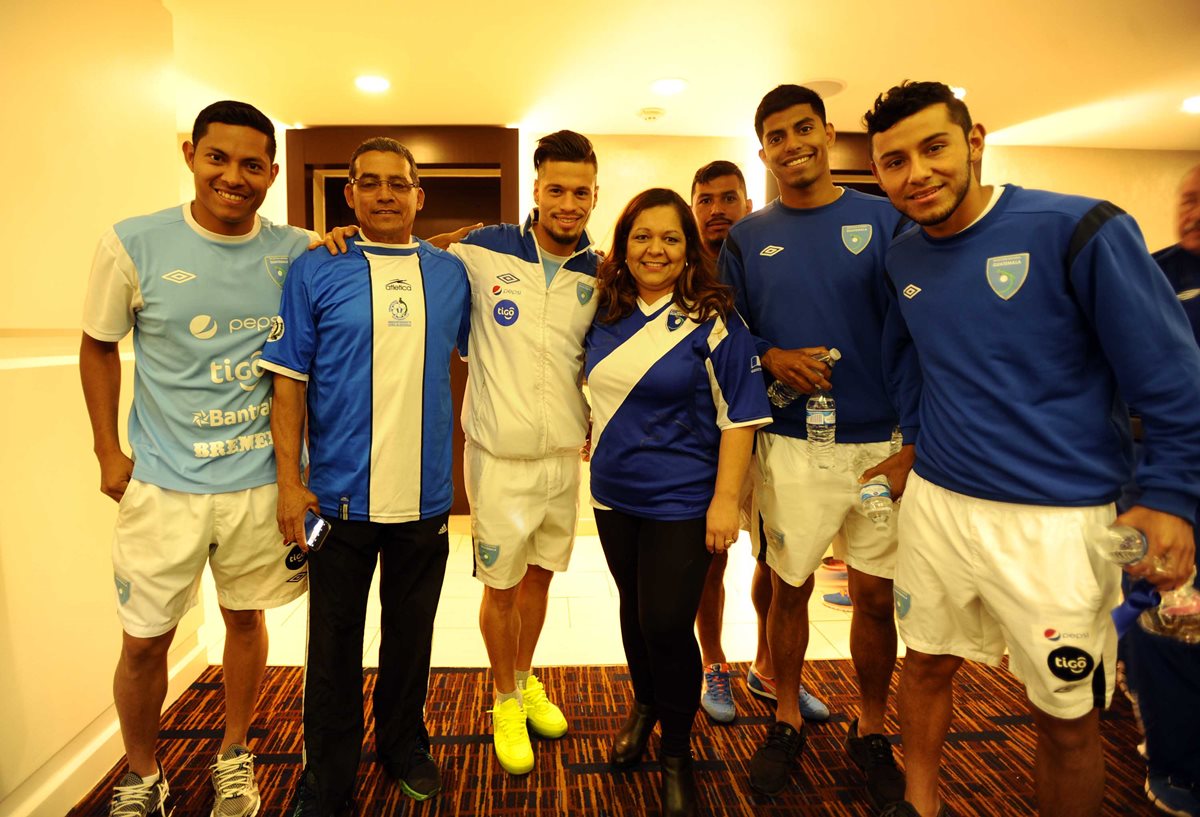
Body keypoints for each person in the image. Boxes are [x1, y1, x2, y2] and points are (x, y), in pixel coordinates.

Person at [864, 81, 1200, 817]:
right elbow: (912, 362)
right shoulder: (904, 256)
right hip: (941, 507)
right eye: (894, 161)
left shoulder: (1079, 229)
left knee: (1066, 713)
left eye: (933, 147)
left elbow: (1172, 378)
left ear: (974, 140)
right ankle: (919, 804)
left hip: (1060, 521)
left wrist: (1171, 497)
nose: (916, 172)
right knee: (923, 663)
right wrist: (913, 446)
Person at [315, 130, 600, 777]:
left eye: (580, 191)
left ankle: (526, 678)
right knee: (499, 585)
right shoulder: (482, 249)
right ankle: (502, 697)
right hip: (497, 456)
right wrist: (335, 240)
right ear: (536, 188)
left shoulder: (598, 270)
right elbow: (410, 255)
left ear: (593, 195)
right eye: (555, 188)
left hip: (562, 458)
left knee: (539, 577)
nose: (567, 202)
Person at [80, 100, 312, 817]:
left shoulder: (299, 249)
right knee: (146, 643)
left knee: (245, 619)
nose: (233, 177)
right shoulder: (133, 244)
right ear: (191, 154)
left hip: (257, 488)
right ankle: (144, 772)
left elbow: (385, 248)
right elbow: (97, 345)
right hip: (162, 486)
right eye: (218, 158)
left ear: (273, 172)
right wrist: (107, 452)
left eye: (251, 165)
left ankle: (234, 756)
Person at [720, 85, 917, 805]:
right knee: (789, 587)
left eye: (804, 128)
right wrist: (770, 356)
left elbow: (919, 328)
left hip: (878, 444)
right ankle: (784, 713)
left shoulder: (887, 218)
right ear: (763, 148)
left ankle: (870, 726)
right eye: (776, 134)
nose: (792, 143)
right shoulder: (747, 235)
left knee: (873, 597)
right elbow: (728, 331)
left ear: (829, 133)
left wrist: (917, 440)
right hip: (792, 445)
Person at [262, 137, 469, 814]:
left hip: (426, 499)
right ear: (349, 194)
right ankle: (326, 776)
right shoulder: (316, 266)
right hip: (336, 502)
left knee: (412, 641)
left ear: (418, 194)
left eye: (397, 184)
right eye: (369, 183)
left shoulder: (450, 273)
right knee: (332, 651)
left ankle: (404, 744)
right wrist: (290, 481)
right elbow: (288, 384)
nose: (384, 194)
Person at [586, 187, 772, 817]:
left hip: (683, 500)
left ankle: (677, 752)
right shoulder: (602, 310)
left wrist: (726, 502)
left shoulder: (715, 319)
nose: (654, 249)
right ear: (624, 244)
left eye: (669, 237)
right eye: (642, 236)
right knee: (635, 614)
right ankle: (643, 704)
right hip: (613, 496)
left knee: (667, 622)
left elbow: (742, 418)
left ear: (688, 248)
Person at [1122, 163, 1200, 817]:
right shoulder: (1154, 274)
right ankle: (1173, 758)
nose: (1193, 211)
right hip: (1162, 477)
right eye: (1188, 198)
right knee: (1168, 620)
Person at [688, 160, 767, 725]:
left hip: (775, 432)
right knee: (710, 561)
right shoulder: (681, 266)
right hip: (704, 440)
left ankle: (769, 665)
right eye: (706, 200)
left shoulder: (768, 258)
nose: (717, 209)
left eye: (728, 198)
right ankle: (712, 662)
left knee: (783, 561)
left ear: (747, 202)